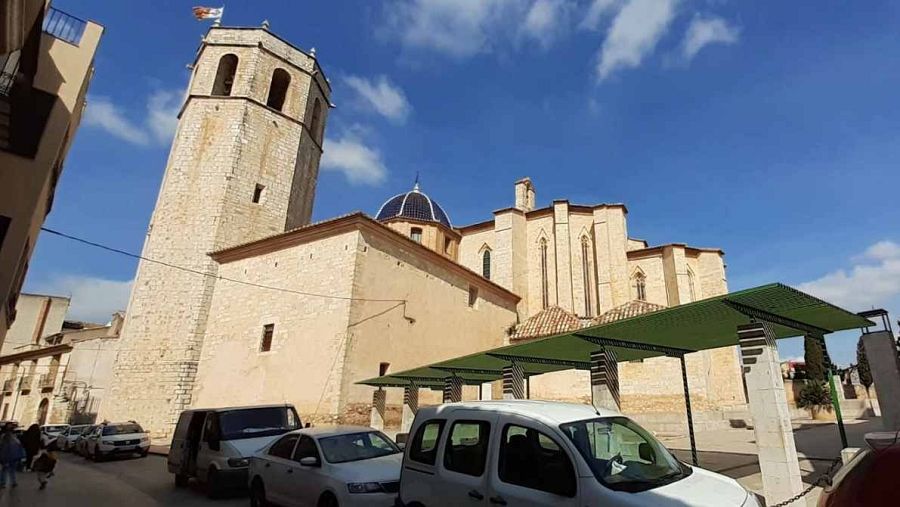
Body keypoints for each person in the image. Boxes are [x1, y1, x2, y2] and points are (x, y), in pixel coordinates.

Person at [0, 423, 24, 488]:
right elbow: (19, 446)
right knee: (11, 469)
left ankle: (3, 482)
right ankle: (13, 482)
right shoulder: (14, 438)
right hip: (12, 456)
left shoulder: (4, 437)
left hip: (7, 456)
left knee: (5, 469)